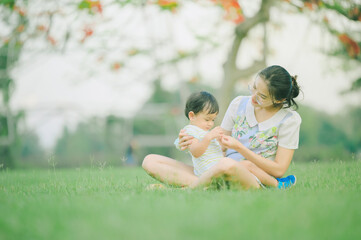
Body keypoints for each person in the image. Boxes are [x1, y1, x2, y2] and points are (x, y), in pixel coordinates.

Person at [142, 65, 301, 190]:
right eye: (253, 88)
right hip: (218, 168)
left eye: (262, 96)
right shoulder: (238, 104)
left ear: (279, 100)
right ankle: (205, 185)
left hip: (251, 177)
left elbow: (279, 170)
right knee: (150, 161)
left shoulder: (289, 120)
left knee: (228, 165)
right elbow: (221, 147)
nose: (253, 97)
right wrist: (194, 142)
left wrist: (239, 147)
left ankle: (188, 188)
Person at [173, 91, 224, 177]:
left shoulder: (205, 132)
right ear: (192, 116)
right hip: (207, 172)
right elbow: (196, 152)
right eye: (207, 119)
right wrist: (209, 137)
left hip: (216, 169)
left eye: (213, 120)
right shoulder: (191, 131)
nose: (211, 124)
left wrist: (220, 141)